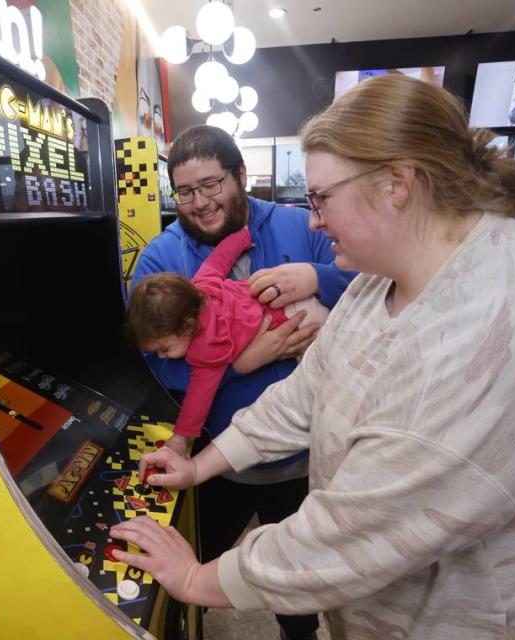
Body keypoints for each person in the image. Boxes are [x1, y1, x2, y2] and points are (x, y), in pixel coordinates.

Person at [112, 75, 515, 639]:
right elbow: (305, 394)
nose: (313, 220)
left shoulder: (498, 325)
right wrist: (201, 463)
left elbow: (357, 533)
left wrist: (196, 577)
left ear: (396, 184)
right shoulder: (380, 281)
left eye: (322, 197)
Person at [130, 124, 356, 640]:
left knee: (297, 594)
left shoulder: (304, 226)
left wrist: (319, 278)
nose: (199, 203)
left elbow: (374, 290)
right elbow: (157, 363)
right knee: (190, 579)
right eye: (184, 192)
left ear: (240, 175)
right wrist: (241, 362)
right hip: (218, 463)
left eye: (211, 185)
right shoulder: (160, 260)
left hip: (310, 457)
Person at [127, 227, 329, 455]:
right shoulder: (203, 286)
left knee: (320, 380)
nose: (162, 356)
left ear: (188, 326)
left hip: (300, 323)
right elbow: (219, 258)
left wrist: (180, 438)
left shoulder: (207, 349)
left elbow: (197, 399)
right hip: (295, 300)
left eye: (165, 348)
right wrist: (242, 236)